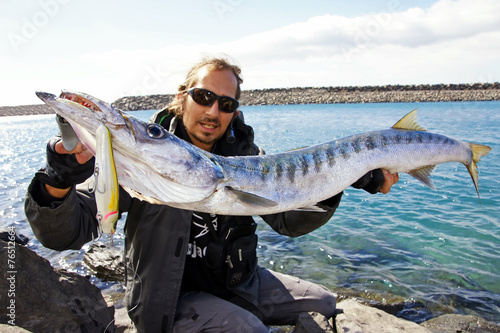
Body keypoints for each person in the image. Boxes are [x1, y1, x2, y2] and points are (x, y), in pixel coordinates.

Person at [25, 57, 399, 332]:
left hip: (237, 283)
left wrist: (342, 180)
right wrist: (60, 176)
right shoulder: (137, 165)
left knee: (326, 302)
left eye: (226, 104)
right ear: (182, 98)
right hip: (168, 300)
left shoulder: (248, 161)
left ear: (234, 112)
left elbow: (288, 220)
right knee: (248, 330)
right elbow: (65, 232)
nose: (213, 111)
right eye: (204, 96)